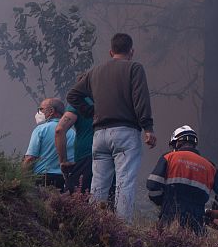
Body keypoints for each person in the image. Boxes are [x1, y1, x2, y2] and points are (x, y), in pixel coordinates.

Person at [67, 33, 156, 222]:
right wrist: (148, 127)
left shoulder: (95, 72)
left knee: (98, 184)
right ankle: (123, 229)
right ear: (131, 51)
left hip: (99, 135)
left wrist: (90, 111)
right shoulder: (134, 68)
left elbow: (72, 95)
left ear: (110, 51)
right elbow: (141, 99)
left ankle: (94, 223)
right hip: (125, 132)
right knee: (125, 181)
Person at [146, 126, 218, 234]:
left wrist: (162, 201)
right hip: (197, 221)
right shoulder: (210, 166)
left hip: (170, 216)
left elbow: (152, 185)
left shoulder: (169, 157)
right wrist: (211, 213)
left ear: (177, 143)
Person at [23, 98, 75, 191]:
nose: (38, 113)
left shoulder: (40, 130)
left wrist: (19, 178)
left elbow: (30, 158)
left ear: (51, 111)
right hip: (65, 179)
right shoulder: (72, 133)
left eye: (41, 109)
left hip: (43, 180)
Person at [54, 91, 95, 193]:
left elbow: (60, 129)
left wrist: (63, 161)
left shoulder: (80, 101)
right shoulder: (109, 99)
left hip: (85, 155)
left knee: (75, 196)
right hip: (111, 155)